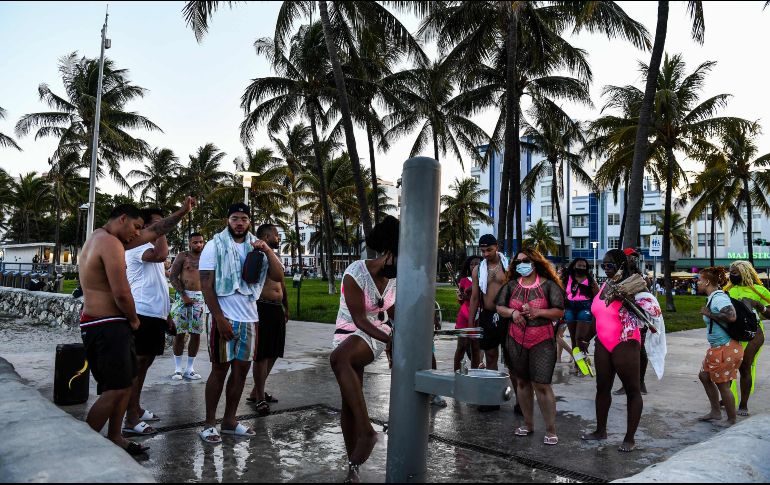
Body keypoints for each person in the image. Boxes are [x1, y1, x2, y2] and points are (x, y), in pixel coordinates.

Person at [78, 199, 194, 455]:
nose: (137, 233)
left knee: (123, 384)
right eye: (136, 227)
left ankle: (116, 436)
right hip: (107, 324)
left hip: (106, 324)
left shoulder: (104, 238)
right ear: (122, 219)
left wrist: (183, 211)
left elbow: (156, 231)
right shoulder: (109, 243)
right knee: (116, 388)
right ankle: (83, 448)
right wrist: (133, 318)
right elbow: (121, 292)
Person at [198, 204, 281, 444]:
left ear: (250, 222)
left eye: (244, 219)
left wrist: (266, 249)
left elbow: (277, 275)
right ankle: (209, 423)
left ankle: (229, 421)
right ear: (228, 220)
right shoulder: (214, 246)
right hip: (223, 316)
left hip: (249, 318)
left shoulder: (257, 247)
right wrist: (219, 319)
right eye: (235, 218)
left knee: (241, 372)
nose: (239, 223)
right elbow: (206, 285)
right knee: (219, 370)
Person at [330, 216, 398, 480]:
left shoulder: (396, 278)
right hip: (349, 330)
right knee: (349, 404)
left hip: (376, 334)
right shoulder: (356, 272)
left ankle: (368, 433)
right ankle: (353, 466)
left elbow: (392, 312)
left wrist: (393, 341)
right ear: (389, 254)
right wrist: (391, 341)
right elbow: (358, 319)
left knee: (339, 360)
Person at [582, 248, 663, 452]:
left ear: (620, 265)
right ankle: (601, 431)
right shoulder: (604, 286)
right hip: (603, 342)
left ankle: (629, 438)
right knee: (602, 388)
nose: (605, 268)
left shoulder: (633, 285)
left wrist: (630, 298)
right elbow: (597, 315)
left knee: (632, 391)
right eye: (603, 265)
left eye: (609, 265)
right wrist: (585, 338)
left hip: (625, 342)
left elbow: (654, 310)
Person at [496, 247, 565, 445]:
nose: (521, 265)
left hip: (542, 340)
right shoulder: (510, 286)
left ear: (535, 263)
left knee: (541, 384)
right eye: (517, 262)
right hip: (515, 339)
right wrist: (512, 313)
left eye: (525, 261)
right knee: (522, 382)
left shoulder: (549, 286)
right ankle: (528, 423)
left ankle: (551, 429)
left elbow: (559, 311)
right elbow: (500, 306)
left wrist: (538, 312)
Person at [122, 208, 175, 437]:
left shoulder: (148, 247)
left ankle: (136, 408)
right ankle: (130, 418)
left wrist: (167, 315)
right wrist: (159, 229)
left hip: (156, 315)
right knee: (137, 366)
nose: (159, 226)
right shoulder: (137, 248)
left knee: (144, 365)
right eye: (154, 224)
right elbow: (162, 255)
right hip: (142, 312)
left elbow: (159, 282)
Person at [247, 224, 290, 416]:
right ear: (266, 236)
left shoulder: (274, 256)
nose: (278, 238)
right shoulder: (256, 254)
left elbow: (281, 282)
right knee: (262, 353)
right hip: (261, 306)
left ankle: (257, 390)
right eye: (276, 235)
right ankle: (260, 397)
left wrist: (286, 305)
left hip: (276, 308)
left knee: (274, 351)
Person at [696, 267, 743, 425]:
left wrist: (709, 314)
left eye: (700, 280)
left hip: (725, 348)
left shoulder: (719, 298)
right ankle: (716, 412)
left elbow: (731, 316)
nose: (698, 282)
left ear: (707, 281)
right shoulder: (713, 298)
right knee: (704, 376)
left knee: (723, 385)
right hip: (717, 348)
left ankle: (731, 420)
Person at [467, 234, 509, 411]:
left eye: (489, 250)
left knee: (512, 359)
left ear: (497, 247)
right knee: (490, 356)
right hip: (487, 315)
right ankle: (492, 399)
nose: (485, 254)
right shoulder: (478, 269)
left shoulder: (508, 266)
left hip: (506, 316)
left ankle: (521, 403)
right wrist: (471, 323)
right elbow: (475, 297)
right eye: (482, 250)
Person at [725, 261, 770, 416]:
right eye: (731, 272)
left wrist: (760, 305)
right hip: (733, 333)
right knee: (728, 366)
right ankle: (726, 397)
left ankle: (743, 405)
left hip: (754, 334)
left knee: (745, 366)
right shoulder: (728, 290)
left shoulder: (759, 290)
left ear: (745, 272)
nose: (732, 275)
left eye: (735, 272)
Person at [169, 232, 207, 381]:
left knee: (196, 334)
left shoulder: (206, 257)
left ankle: (189, 369)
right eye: (195, 242)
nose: (199, 245)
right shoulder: (183, 256)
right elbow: (173, 276)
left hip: (199, 298)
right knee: (179, 333)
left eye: (201, 242)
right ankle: (177, 369)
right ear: (190, 243)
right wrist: (183, 295)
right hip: (183, 296)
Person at [614, 248, 650, 395]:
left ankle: (639, 383)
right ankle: (631, 384)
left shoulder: (639, 275)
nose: (633, 259)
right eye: (630, 257)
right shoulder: (619, 274)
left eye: (634, 257)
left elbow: (645, 294)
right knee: (627, 352)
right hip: (622, 315)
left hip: (637, 315)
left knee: (639, 351)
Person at [561, 258, 599, 372]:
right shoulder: (566, 279)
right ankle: (578, 364)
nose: (581, 268)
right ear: (574, 266)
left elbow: (597, 297)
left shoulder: (590, 280)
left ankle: (582, 362)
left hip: (585, 308)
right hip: (570, 308)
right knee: (573, 339)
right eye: (579, 265)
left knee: (580, 338)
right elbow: (560, 294)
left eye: (584, 266)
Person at [454, 255, 482, 371]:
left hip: (478, 316)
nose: (473, 266)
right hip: (464, 315)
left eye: (476, 263)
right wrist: (461, 297)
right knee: (461, 346)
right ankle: (456, 371)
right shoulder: (464, 280)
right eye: (471, 264)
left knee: (476, 347)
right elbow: (461, 300)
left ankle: (474, 373)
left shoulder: (484, 280)